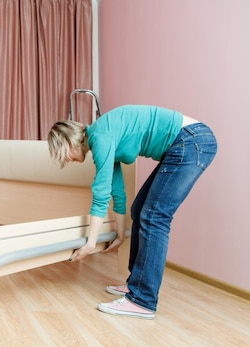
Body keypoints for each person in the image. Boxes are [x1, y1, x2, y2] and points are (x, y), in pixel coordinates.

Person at [47, 105, 217, 319]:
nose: (66, 160)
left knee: (154, 217)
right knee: (140, 209)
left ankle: (142, 300)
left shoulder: (101, 136)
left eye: (64, 153)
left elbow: (101, 193)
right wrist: (120, 235)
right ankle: (134, 285)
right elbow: (117, 192)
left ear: (70, 141)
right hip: (187, 142)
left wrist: (90, 243)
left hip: (192, 141)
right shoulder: (104, 139)